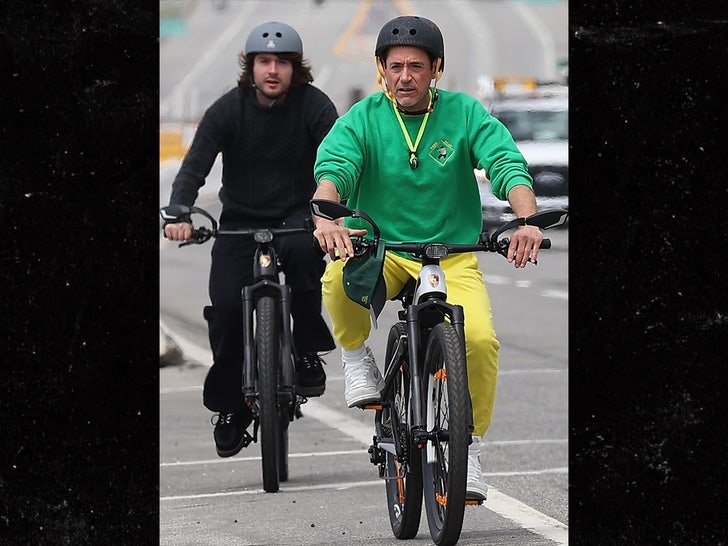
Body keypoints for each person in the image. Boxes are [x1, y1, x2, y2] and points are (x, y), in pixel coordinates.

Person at [310, 15, 544, 502]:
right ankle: (357, 359)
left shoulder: (462, 112)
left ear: (436, 69)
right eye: (395, 67)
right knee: (335, 278)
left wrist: (527, 220)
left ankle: (469, 451)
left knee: (478, 339)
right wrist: (327, 216)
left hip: (451, 255)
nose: (405, 77)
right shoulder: (363, 118)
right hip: (382, 251)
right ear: (381, 69)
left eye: (417, 67)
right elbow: (336, 168)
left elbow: (504, 162)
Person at [163, 21, 337, 458]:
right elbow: (194, 165)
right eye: (264, 61)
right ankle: (232, 408)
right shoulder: (227, 110)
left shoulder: (315, 106)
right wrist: (179, 210)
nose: (272, 70)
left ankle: (307, 351)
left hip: (298, 216)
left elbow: (341, 159)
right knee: (224, 307)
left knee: (301, 256)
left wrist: (332, 215)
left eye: (281, 62)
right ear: (251, 66)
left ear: (295, 68)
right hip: (239, 221)